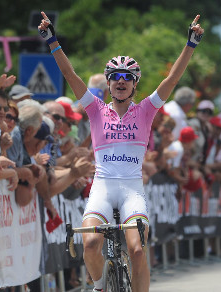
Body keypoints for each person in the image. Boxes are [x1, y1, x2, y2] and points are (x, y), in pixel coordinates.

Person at [38, 11, 204, 292]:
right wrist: (52, 40)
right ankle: (101, 286)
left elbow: (172, 79)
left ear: (134, 83)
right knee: (90, 243)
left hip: (131, 190)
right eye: (115, 77)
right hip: (102, 187)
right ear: (109, 83)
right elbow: (69, 74)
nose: (121, 80)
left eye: (127, 77)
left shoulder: (147, 110)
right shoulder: (94, 108)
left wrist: (190, 44)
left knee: (137, 251)